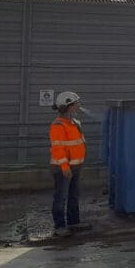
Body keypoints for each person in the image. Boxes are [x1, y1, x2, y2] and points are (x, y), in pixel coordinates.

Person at [49, 91, 88, 237]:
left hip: (75, 166)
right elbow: (58, 149)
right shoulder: (58, 125)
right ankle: (59, 226)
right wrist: (65, 167)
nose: (79, 105)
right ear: (69, 106)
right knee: (61, 197)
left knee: (74, 195)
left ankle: (74, 222)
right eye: (76, 103)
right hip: (62, 168)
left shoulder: (75, 123)